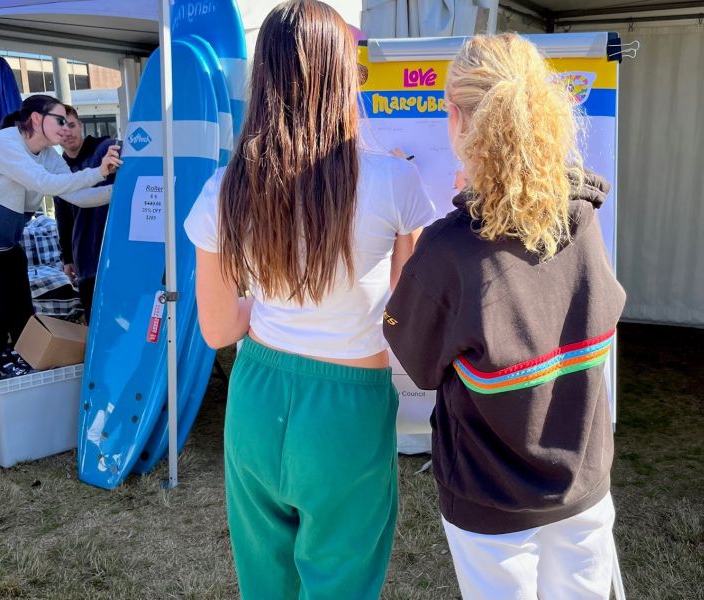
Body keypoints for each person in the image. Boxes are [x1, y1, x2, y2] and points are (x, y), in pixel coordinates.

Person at [184, 1, 434, 597]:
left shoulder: (225, 189)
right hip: (348, 409)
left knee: (265, 582)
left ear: (264, 79)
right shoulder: (395, 182)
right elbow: (411, 319)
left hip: (256, 398)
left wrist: (262, 308)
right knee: (343, 579)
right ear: (345, 74)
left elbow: (218, 331)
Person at [383, 34, 627, 600]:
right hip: (583, 480)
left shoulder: (448, 250)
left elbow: (417, 359)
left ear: (458, 120)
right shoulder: (583, 220)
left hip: (489, 499)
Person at [0, 94, 121, 355]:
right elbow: (45, 183)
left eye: (69, 123)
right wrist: (100, 172)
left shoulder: (47, 155)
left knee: (24, 318)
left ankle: (22, 369)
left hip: (7, 248)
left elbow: (78, 196)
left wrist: (120, 189)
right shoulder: (3, 143)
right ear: (36, 119)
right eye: (59, 121)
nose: (65, 128)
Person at [54, 105, 118, 321]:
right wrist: (68, 258)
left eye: (71, 125)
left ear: (80, 125)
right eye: (61, 128)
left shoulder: (104, 150)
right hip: (85, 256)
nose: (68, 132)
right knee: (95, 319)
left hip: (114, 250)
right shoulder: (58, 168)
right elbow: (62, 217)